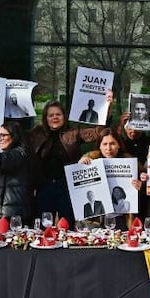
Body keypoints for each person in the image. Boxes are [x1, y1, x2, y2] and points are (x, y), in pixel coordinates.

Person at [26, 93, 113, 225]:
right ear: (45, 118)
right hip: (44, 186)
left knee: (67, 225)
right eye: (51, 115)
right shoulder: (36, 133)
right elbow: (14, 135)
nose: (55, 117)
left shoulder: (73, 132)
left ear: (64, 117)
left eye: (58, 114)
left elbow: (98, 132)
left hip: (67, 186)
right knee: (43, 226)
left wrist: (107, 107)